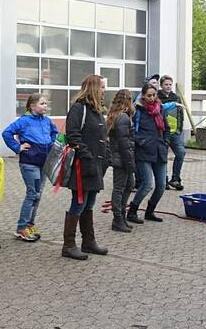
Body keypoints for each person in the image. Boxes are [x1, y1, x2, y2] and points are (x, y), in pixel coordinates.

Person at [61, 74, 109, 261]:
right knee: (79, 203)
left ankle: (88, 242)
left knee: (89, 204)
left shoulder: (97, 110)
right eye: (102, 87)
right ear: (93, 88)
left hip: (96, 166)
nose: (104, 90)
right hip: (83, 166)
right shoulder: (78, 108)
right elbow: (73, 135)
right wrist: (87, 156)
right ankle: (68, 245)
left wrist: (106, 157)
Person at [2, 93, 58, 242]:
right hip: (29, 163)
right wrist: (17, 147)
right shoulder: (24, 121)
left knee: (38, 195)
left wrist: (52, 144)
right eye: (42, 104)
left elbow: (55, 133)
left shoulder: (47, 121)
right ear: (32, 106)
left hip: (44, 163)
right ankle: (21, 228)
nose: (45, 106)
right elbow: (6, 133)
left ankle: (30, 225)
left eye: (46, 103)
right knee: (32, 194)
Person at [127, 83, 169, 224]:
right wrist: (142, 141)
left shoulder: (160, 109)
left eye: (154, 95)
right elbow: (131, 130)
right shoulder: (137, 110)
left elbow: (166, 128)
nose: (152, 98)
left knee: (161, 185)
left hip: (159, 151)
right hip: (144, 152)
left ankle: (150, 211)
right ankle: (132, 211)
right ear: (143, 96)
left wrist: (166, 141)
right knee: (147, 184)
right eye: (149, 95)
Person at [106, 89, 136, 233]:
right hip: (122, 159)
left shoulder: (116, 115)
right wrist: (130, 163)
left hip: (121, 158)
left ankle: (121, 217)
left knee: (129, 185)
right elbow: (125, 143)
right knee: (119, 188)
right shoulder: (123, 118)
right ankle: (118, 219)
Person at [157, 75, 186, 191]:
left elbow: (180, 115)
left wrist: (179, 129)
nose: (168, 87)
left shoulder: (176, 97)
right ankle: (164, 180)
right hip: (162, 132)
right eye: (166, 84)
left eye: (170, 84)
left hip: (175, 132)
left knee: (181, 153)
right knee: (163, 157)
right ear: (161, 85)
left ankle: (175, 178)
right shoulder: (157, 97)